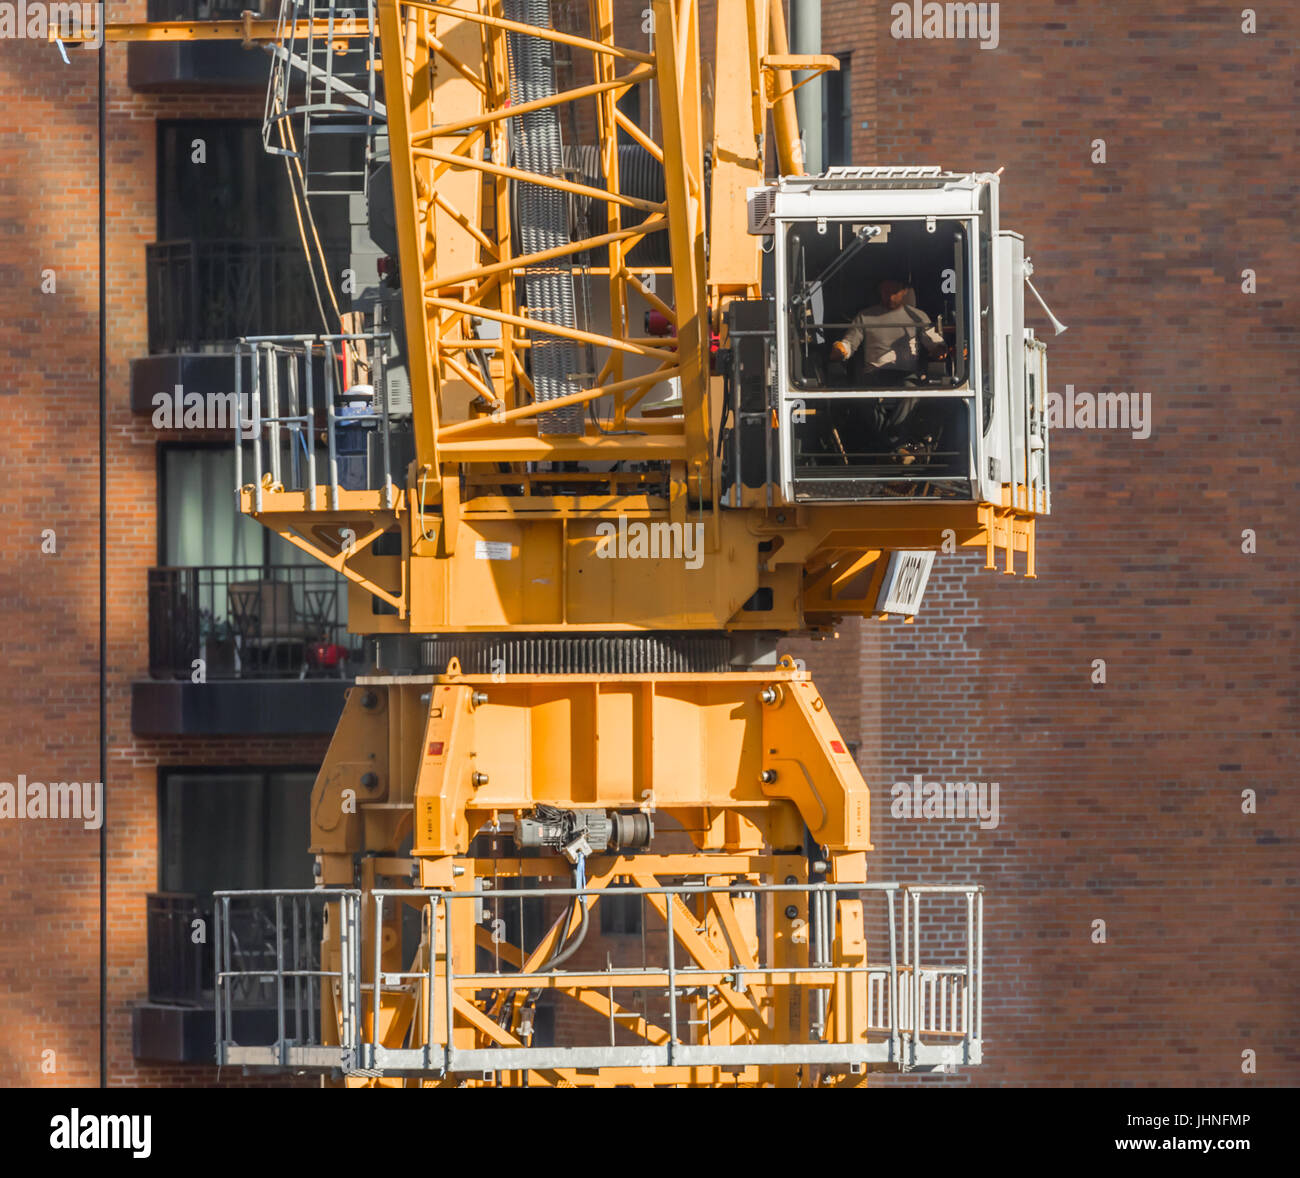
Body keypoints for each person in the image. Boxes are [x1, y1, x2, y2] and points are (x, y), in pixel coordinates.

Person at [830, 279, 949, 450]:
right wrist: (841, 349)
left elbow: (933, 341)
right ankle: (896, 446)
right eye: (885, 291)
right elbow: (849, 342)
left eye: (894, 291)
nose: (889, 296)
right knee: (862, 397)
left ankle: (887, 446)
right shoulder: (865, 316)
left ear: (904, 292)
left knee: (913, 391)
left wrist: (939, 349)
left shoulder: (917, 316)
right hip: (874, 373)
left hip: (906, 373)